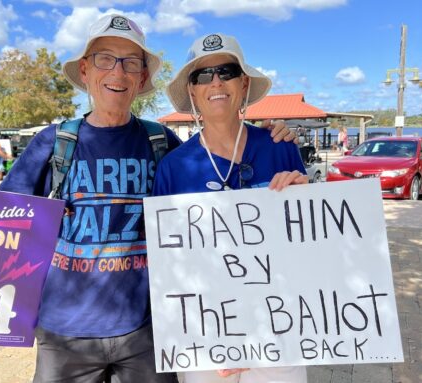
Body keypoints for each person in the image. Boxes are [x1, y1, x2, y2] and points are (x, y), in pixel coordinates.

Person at [0, 15, 295, 383]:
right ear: (85, 71)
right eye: (105, 59)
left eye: (130, 62)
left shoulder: (163, 144)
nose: (117, 73)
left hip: (149, 330)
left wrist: (280, 140)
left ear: (143, 78)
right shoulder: (54, 142)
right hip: (63, 334)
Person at [154, 33, 308, 383]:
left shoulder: (279, 146)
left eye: (226, 71)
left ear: (244, 83)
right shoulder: (173, 167)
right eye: (202, 75)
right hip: (204, 331)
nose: (216, 82)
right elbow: (169, 265)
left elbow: (308, 241)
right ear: (192, 91)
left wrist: (307, 196)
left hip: (280, 326)